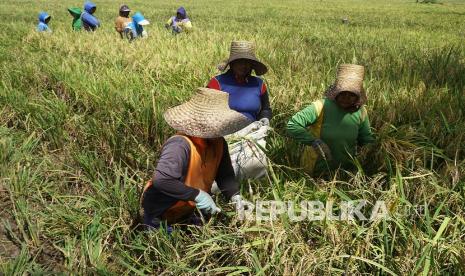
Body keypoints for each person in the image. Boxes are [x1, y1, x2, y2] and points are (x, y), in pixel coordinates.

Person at [141, 88, 251, 231]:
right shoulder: (180, 145)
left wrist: (235, 197)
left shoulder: (218, 142)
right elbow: (162, 180)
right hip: (161, 211)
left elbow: (225, 176)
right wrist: (198, 195)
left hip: (186, 210)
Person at [287, 64, 375, 175]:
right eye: (343, 93)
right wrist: (314, 142)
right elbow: (293, 124)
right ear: (336, 91)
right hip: (316, 171)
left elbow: (366, 139)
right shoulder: (321, 106)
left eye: (351, 94)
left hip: (345, 173)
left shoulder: (360, 111)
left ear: (357, 96)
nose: (346, 98)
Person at [207, 41, 272, 180]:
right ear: (232, 63)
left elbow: (265, 108)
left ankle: (251, 189)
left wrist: (265, 118)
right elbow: (206, 111)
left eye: (247, 62)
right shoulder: (217, 83)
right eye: (240, 61)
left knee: (255, 166)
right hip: (224, 134)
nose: (244, 65)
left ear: (252, 65)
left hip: (251, 134)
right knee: (222, 173)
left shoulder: (259, 84)